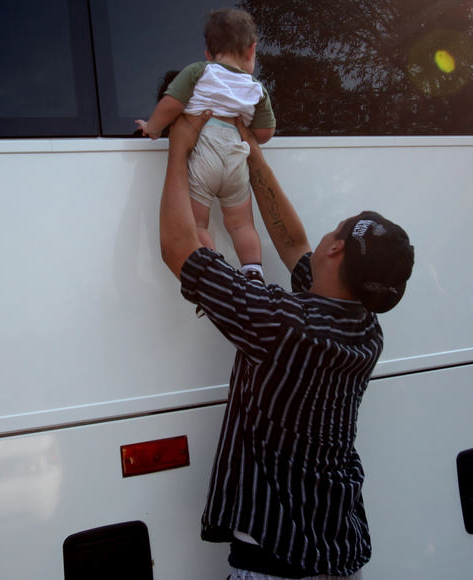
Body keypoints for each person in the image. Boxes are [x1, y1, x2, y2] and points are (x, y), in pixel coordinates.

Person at [158, 112, 414, 579]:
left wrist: (178, 148)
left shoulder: (283, 324)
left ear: (335, 251)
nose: (324, 235)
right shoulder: (364, 328)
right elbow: (293, 242)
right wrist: (248, 148)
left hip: (277, 565)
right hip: (337, 554)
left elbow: (179, 249)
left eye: (335, 230)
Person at [137, 8, 276, 282]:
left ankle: (216, 275)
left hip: (204, 157)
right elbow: (264, 132)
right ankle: (253, 271)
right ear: (252, 50)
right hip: (236, 160)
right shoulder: (255, 87)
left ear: (208, 54)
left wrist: (152, 128)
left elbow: (172, 104)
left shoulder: (200, 71)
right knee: (242, 223)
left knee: (198, 224)